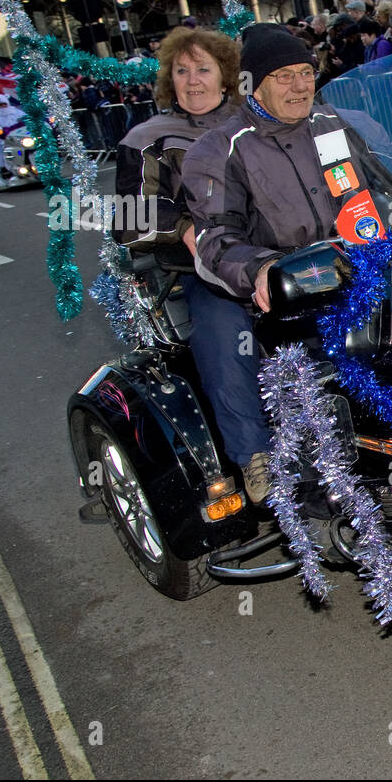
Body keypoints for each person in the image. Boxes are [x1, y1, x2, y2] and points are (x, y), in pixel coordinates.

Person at [181, 25, 392, 501]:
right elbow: (216, 236)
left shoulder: (334, 124)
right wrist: (260, 269)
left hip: (360, 268)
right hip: (289, 287)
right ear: (253, 84)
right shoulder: (220, 148)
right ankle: (265, 460)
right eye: (283, 76)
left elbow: (391, 181)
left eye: (306, 73)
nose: (300, 86)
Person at [112, 26, 264, 496]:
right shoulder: (149, 138)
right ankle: (254, 456)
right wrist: (183, 227)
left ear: (226, 76)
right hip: (206, 267)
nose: (192, 80)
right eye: (182, 71)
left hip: (286, 253)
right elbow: (129, 215)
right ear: (169, 80)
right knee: (225, 330)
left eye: (203, 69)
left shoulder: (257, 120)